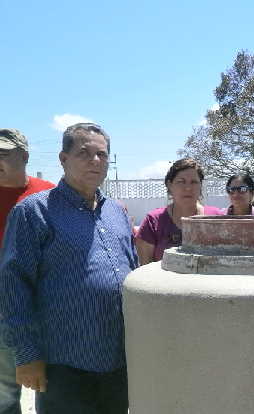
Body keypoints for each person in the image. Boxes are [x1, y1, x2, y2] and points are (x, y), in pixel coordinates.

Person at [0, 123, 138, 413]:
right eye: (84, 153)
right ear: (63, 159)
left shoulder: (117, 213)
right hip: (63, 364)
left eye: (102, 154)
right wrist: (27, 354)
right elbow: (14, 283)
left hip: (117, 360)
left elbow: (132, 271)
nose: (95, 161)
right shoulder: (33, 212)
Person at [0, 129, 54, 414]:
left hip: (47, 305)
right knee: (5, 392)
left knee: (52, 384)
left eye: (3, 154)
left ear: (25, 156)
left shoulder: (49, 193)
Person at [135, 158, 223, 265]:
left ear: (200, 186)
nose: (188, 188)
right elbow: (145, 268)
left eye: (194, 182)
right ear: (169, 185)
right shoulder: (153, 221)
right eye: (181, 182)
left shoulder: (216, 218)